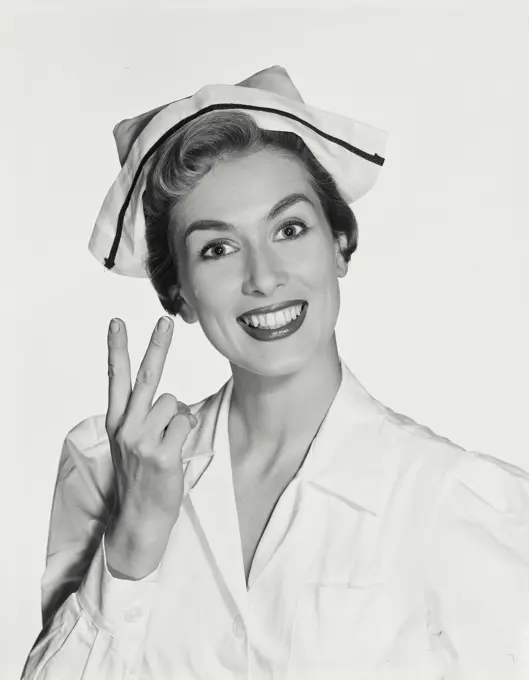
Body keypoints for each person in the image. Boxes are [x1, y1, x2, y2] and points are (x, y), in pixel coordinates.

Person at [22, 65, 529, 680]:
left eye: (290, 229)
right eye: (217, 248)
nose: (263, 277)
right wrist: (132, 547)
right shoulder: (106, 470)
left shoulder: (449, 499)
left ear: (340, 244)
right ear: (178, 292)